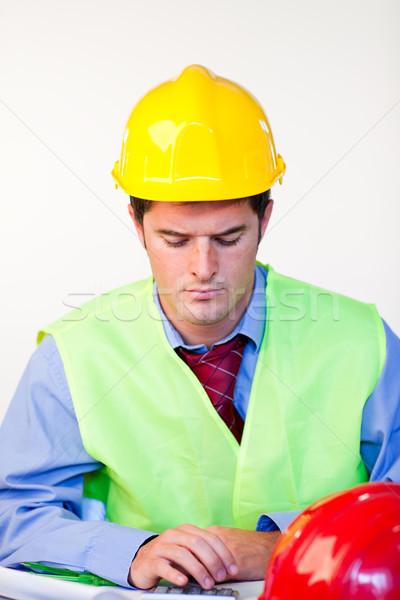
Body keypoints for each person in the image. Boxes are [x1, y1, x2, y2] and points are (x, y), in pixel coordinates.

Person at [0, 65, 399, 590]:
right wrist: (131, 552)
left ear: (266, 218)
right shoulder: (72, 355)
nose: (203, 267)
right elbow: (14, 515)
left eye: (229, 238)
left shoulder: (362, 339)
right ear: (136, 223)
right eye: (175, 239)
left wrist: (286, 544)